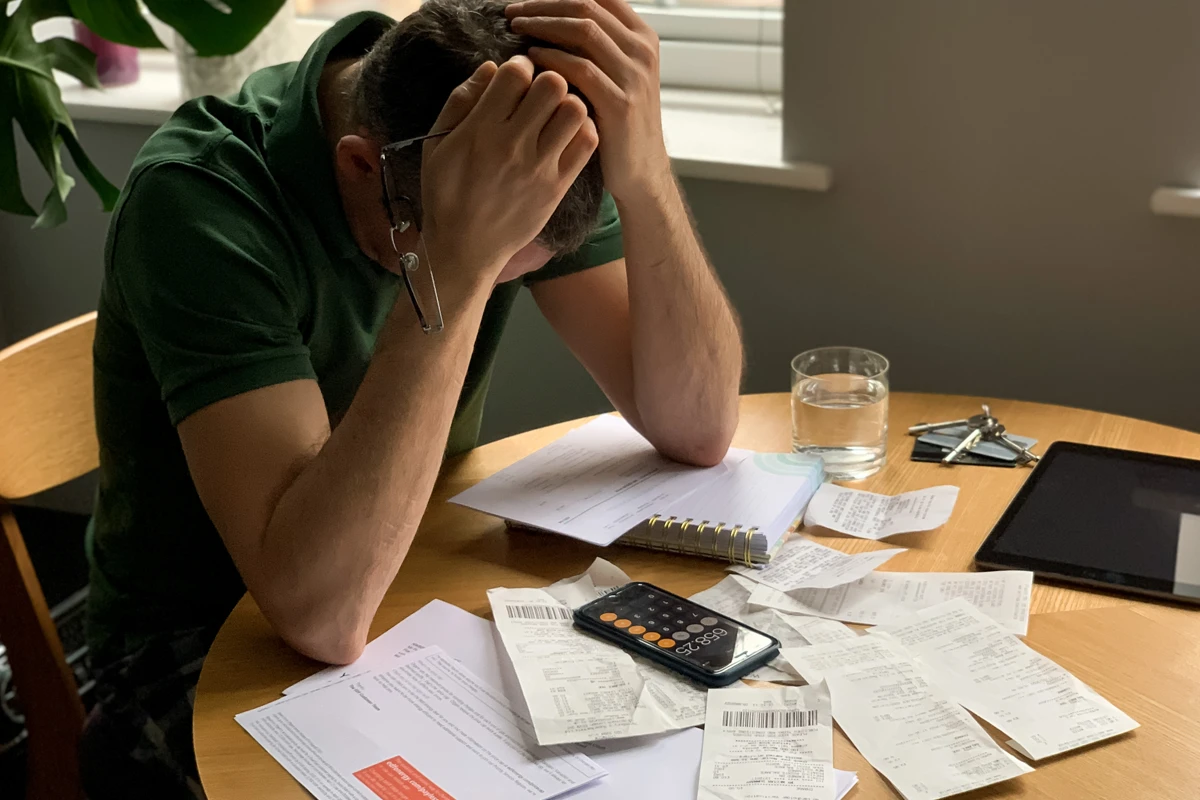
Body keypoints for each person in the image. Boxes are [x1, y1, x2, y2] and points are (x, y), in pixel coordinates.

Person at [79, 0, 743, 796]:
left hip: (400, 582)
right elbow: (320, 615)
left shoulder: (515, 140)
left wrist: (647, 175)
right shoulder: (201, 202)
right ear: (362, 167)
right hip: (188, 647)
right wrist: (459, 267)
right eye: (499, 260)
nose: (505, 281)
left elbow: (697, 427)